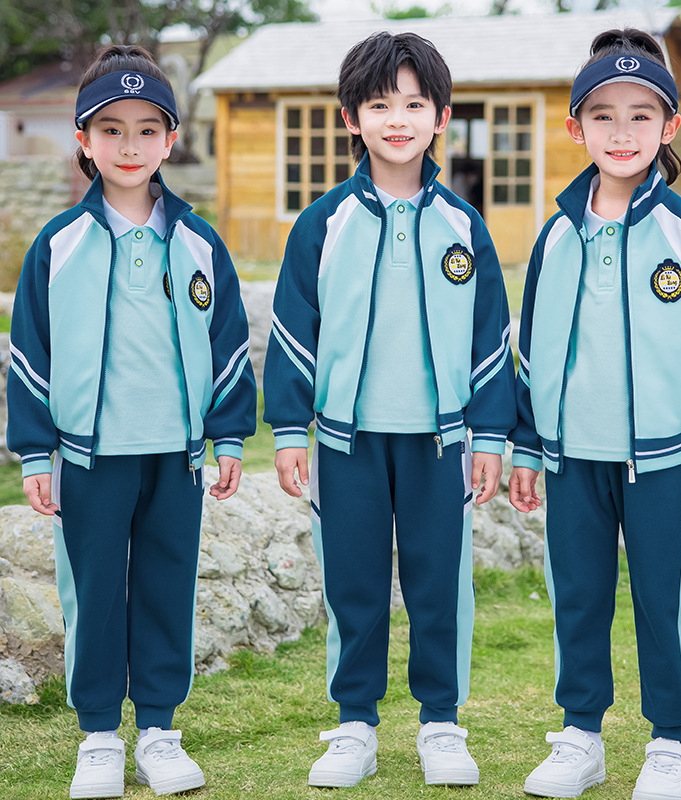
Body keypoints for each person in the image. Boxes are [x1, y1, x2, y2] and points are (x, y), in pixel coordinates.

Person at [263, 31, 516, 789]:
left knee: (441, 587)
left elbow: (490, 340)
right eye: (379, 105)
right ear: (351, 118)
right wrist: (289, 428)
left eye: (413, 104)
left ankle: (442, 723)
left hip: (441, 442)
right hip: (347, 443)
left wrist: (491, 435)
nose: (397, 119)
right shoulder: (322, 223)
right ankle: (354, 726)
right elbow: (293, 331)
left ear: (441, 117)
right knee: (355, 587)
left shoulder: (464, 227)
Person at [508, 28, 681, 800]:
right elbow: (531, 349)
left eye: (641, 115)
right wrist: (527, 447)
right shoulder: (554, 236)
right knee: (578, 598)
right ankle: (580, 737)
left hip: (667, 462)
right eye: (603, 116)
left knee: (662, 602)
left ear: (669, 126)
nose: (622, 132)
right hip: (571, 459)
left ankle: (672, 744)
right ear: (575, 128)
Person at [7, 45, 257, 799]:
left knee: (165, 588)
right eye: (110, 129)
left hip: (176, 456)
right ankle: (98, 739)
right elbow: (31, 354)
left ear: (170, 140)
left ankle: (158, 733)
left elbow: (229, 344)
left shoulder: (199, 242)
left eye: (147, 129)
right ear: (83, 139)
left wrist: (228, 433)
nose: (129, 145)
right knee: (93, 595)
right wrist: (36, 453)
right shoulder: (58, 244)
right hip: (89, 457)